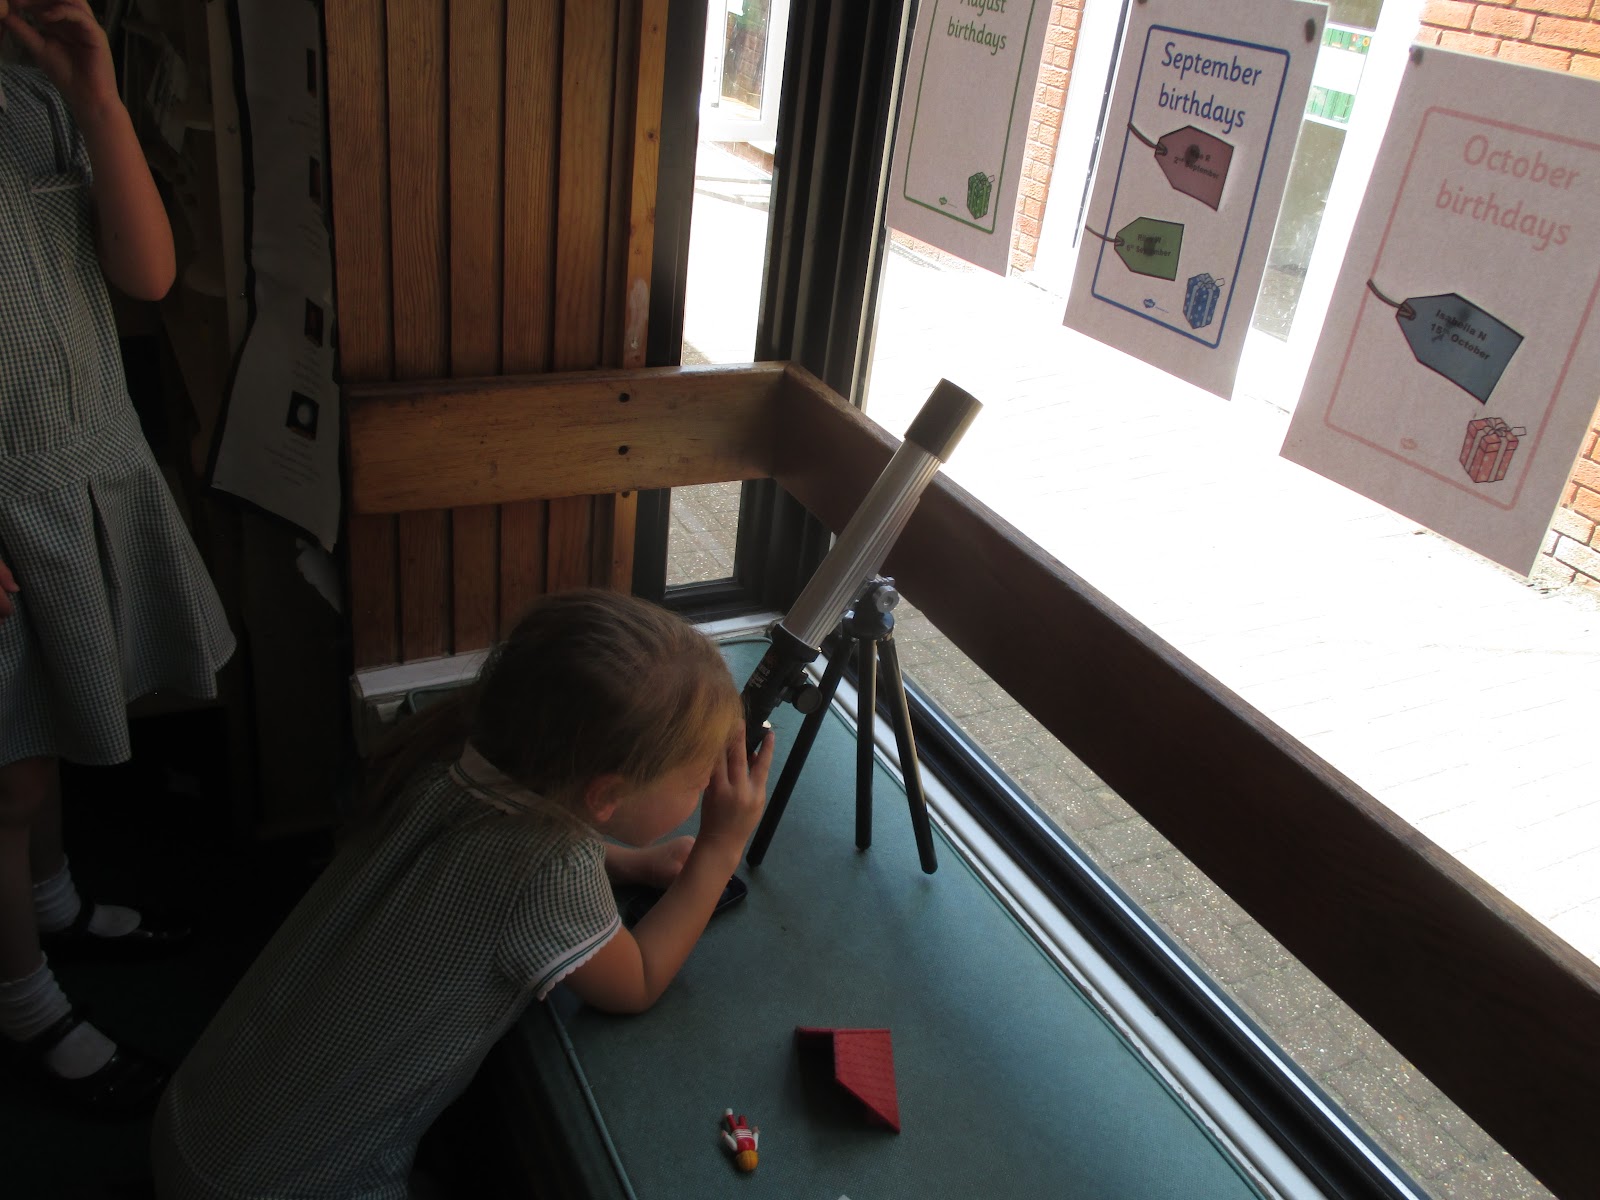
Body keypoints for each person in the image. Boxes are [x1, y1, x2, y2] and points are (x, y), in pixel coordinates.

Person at [151, 589, 774, 1200]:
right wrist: (718, 850)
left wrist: (627, 863)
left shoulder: (454, 758)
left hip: (198, 1119)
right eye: (698, 781)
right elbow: (635, 982)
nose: (705, 792)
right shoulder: (551, 869)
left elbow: (492, 859)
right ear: (607, 794)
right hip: (293, 1184)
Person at [0, 0, 236, 1116]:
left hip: (83, 461)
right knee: (6, 773)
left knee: (39, 740)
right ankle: (24, 1001)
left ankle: (50, 904)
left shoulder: (35, 96)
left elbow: (145, 275)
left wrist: (96, 97)